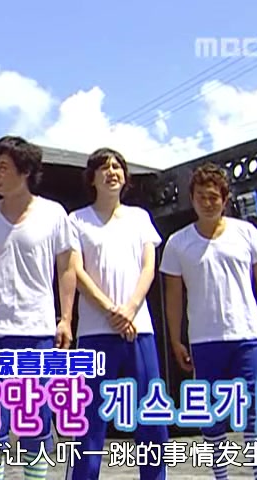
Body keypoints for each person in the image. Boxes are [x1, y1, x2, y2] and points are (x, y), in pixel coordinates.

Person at [159, 162, 257, 480]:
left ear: (225, 199)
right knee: (211, 411)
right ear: (192, 199)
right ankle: (221, 476)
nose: (207, 202)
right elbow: (173, 296)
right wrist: (175, 339)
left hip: (247, 335)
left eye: (214, 197)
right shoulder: (177, 242)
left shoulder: (246, 233)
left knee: (256, 408)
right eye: (201, 197)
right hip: (204, 340)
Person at [0, 135, 76, 480]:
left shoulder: (53, 213)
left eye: (4, 168)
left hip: (37, 331)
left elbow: (67, 268)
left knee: (34, 421)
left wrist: (65, 319)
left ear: (25, 171)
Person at [64, 148, 169, 480]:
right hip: (95, 333)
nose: (112, 172)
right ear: (92, 178)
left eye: (117, 166)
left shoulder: (140, 218)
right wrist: (111, 310)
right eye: (104, 167)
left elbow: (149, 267)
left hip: (139, 331)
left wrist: (130, 308)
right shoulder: (76, 220)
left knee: (151, 419)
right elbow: (75, 271)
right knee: (90, 422)